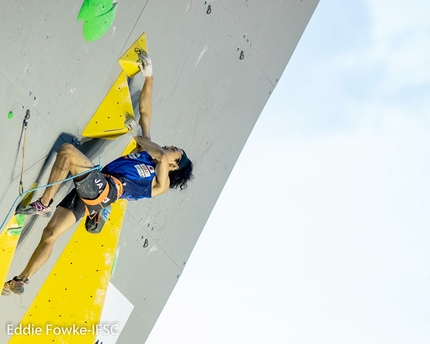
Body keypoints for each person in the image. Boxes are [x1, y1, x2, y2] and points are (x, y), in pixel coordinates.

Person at [2, 54, 193, 296]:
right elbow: (145, 110)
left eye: (173, 150)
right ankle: (22, 280)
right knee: (50, 233)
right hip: (95, 190)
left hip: (107, 188)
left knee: (68, 152)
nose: (167, 148)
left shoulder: (159, 182)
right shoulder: (146, 151)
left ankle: (44, 204)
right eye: (171, 146)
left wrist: (138, 138)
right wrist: (149, 77)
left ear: (175, 167)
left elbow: (162, 158)